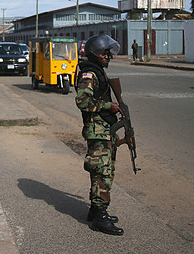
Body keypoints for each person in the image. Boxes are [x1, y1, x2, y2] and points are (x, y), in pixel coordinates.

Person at [75, 34, 124, 236]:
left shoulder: (98, 72)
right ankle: (99, 217)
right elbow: (82, 101)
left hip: (104, 129)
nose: (107, 56)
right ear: (94, 53)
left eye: (108, 53)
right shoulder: (89, 75)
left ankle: (96, 210)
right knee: (101, 172)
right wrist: (108, 106)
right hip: (97, 130)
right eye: (104, 53)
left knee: (106, 169)